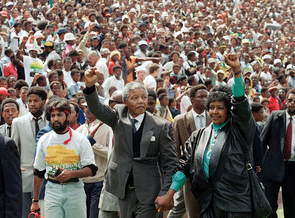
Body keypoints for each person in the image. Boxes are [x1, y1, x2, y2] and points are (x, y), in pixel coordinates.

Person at [157, 54, 255, 217]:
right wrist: (169, 193)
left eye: (220, 108)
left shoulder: (238, 131)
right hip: (207, 202)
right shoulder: (199, 136)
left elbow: (240, 103)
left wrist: (237, 71)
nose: (215, 112)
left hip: (236, 203)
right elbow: (184, 166)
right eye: (212, 107)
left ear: (228, 110)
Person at [84, 67, 178, 217]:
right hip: (122, 188)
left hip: (149, 191)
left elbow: (170, 162)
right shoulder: (117, 116)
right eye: (135, 98)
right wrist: (89, 87)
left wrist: (165, 191)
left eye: (143, 97)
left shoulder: (161, 126)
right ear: (126, 101)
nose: (140, 101)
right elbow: (96, 108)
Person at [31, 99, 98, 218]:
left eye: (59, 115)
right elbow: (38, 172)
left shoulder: (80, 139)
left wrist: (71, 174)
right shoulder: (44, 139)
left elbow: (91, 169)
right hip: (52, 190)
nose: (55, 119)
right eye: (52, 116)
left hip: (75, 190)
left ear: (68, 117)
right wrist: (35, 201)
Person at [261, 88, 295, 218]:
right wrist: (259, 167)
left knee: (292, 210)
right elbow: (261, 143)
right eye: (289, 100)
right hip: (272, 168)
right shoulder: (275, 117)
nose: (291, 103)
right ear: (285, 100)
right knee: (268, 208)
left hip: (293, 170)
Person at [168, 84, 210, 218]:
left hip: (212, 175)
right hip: (190, 176)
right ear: (192, 99)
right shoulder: (180, 120)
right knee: (193, 212)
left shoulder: (214, 118)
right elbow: (175, 150)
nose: (204, 99)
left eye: (206, 96)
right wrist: (179, 174)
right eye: (200, 97)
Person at [11, 86, 49, 218]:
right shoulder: (18, 122)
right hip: (25, 178)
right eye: (29, 101)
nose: (32, 104)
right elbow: (13, 150)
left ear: (44, 101)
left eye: (36, 101)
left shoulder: (51, 122)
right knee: (26, 214)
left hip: (48, 178)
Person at [77, 104, 113, 218]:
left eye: (90, 106)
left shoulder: (108, 129)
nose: (87, 109)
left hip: (99, 181)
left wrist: (92, 143)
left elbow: (111, 154)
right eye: (85, 107)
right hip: (82, 182)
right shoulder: (80, 130)